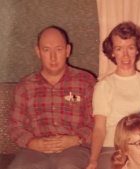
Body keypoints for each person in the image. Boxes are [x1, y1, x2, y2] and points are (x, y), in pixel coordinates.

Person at [7, 26, 95, 169]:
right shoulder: (25, 86)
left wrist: (76, 140)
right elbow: (15, 126)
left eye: (58, 50)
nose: (53, 57)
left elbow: (96, 122)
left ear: (67, 50)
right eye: (46, 50)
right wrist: (32, 143)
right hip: (34, 151)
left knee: (68, 166)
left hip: (75, 150)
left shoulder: (85, 81)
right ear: (38, 52)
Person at [87, 21, 140, 169]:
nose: (126, 55)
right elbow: (100, 128)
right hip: (113, 150)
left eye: (130, 48)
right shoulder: (103, 86)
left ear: (137, 50)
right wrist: (93, 161)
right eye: (119, 49)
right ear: (112, 52)